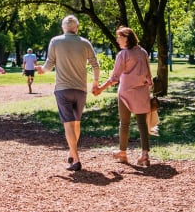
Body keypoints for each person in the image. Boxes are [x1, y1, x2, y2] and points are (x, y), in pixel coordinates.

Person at [37, 15, 101, 171]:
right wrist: (95, 83)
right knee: (76, 123)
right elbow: (96, 65)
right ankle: (72, 152)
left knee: (68, 125)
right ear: (76, 28)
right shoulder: (85, 43)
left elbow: (49, 64)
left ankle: (76, 159)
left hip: (62, 89)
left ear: (63, 27)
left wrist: (42, 70)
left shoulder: (56, 41)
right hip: (80, 90)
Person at [93, 27, 153, 167]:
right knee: (142, 124)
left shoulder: (123, 55)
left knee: (124, 123)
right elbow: (149, 77)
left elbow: (114, 77)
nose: (117, 39)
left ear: (126, 37)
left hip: (126, 93)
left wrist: (101, 88)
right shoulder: (143, 52)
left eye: (119, 37)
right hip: (142, 92)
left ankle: (123, 153)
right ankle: (145, 155)